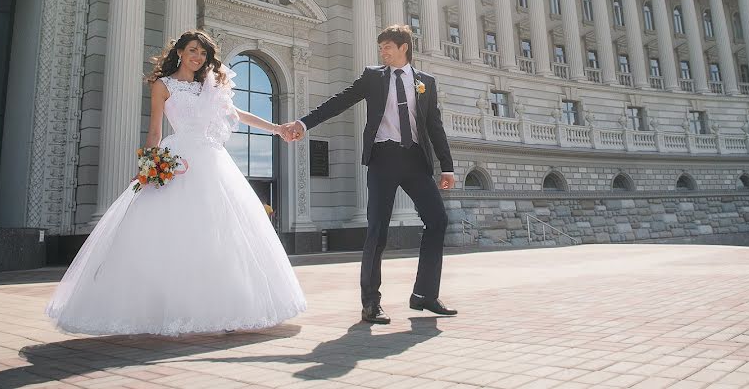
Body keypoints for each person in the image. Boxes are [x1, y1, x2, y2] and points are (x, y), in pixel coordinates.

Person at [46, 30, 306, 335]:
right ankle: (161, 307)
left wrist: (277, 128)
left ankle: (224, 307)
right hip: (178, 160)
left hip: (212, 161)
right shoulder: (163, 85)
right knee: (169, 232)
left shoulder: (209, 86)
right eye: (193, 50)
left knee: (218, 231)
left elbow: (236, 114)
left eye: (203, 54)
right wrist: (148, 167)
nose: (198, 57)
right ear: (180, 51)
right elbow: (154, 130)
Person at [281, 24, 457, 324]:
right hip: (383, 158)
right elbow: (340, 101)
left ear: (404, 47)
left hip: (416, 159)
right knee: (377, 229)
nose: (383, 52)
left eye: (388, 46)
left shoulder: (425, 82)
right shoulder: (373, 77)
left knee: (437, 220)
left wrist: (447, 166)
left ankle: (425, 294)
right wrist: (304, 123)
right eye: (381, 48)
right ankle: (371, 303)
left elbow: (434, 126)